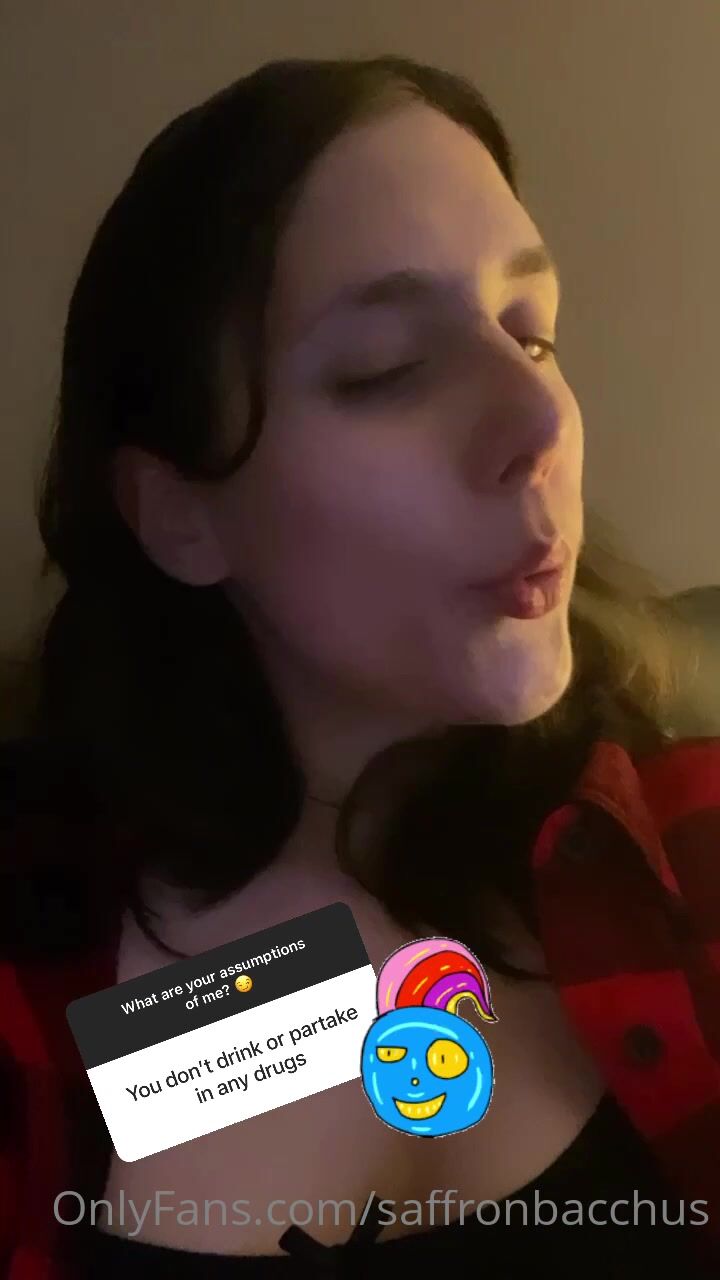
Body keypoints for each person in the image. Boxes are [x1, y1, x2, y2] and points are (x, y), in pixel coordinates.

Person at [1, 54, 719, 1279]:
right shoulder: (38, 946)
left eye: (534, 334)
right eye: (388, 367)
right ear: (181, 514)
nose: (543, 422)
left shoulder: (686, 848)